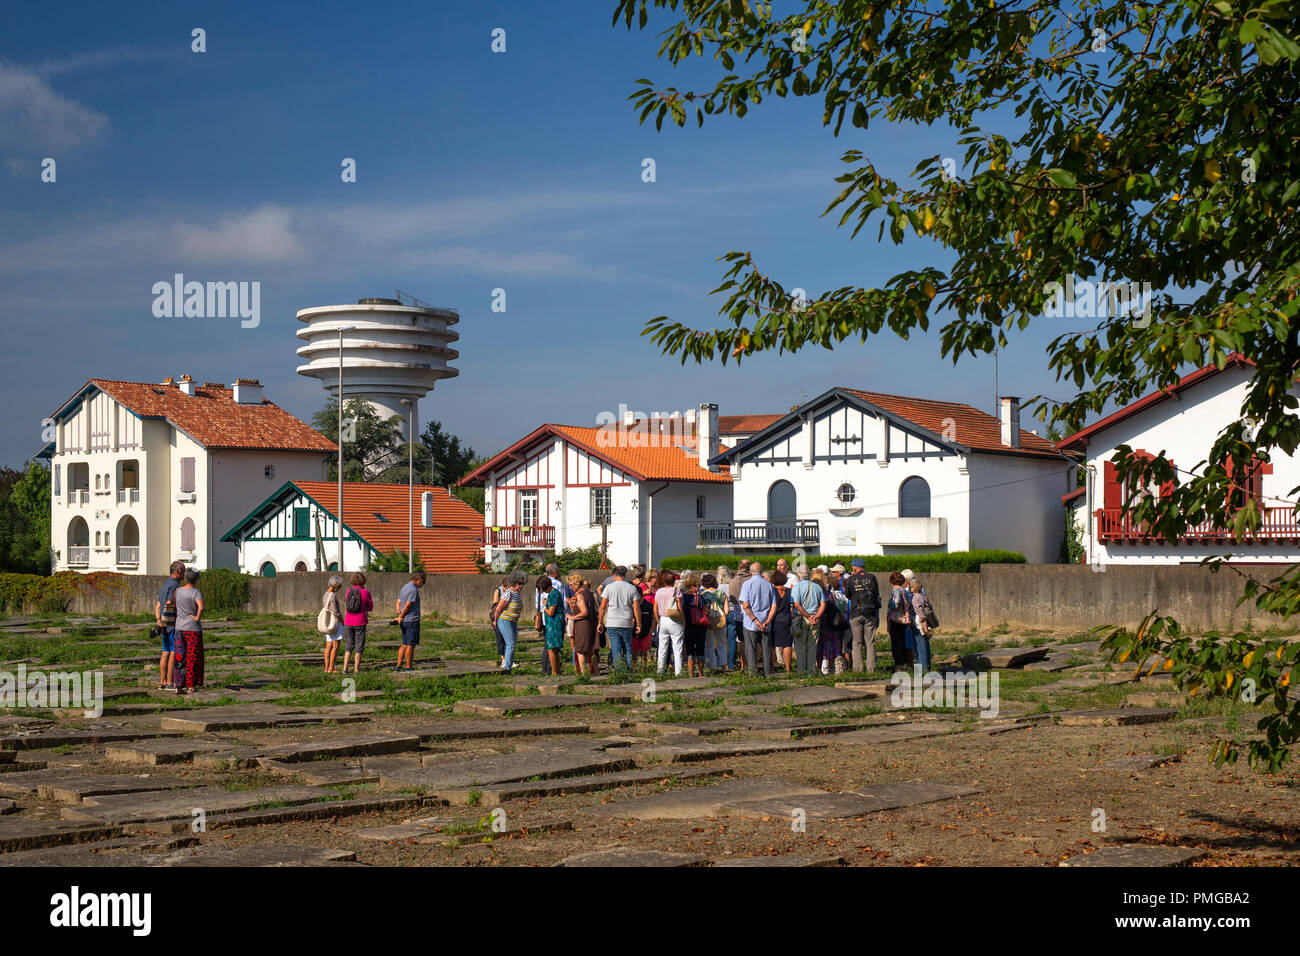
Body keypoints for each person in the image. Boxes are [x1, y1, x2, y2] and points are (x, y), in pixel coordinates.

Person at [598, 565, 641, 673]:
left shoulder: (609, 588)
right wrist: (639, 624)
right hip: (626, 622)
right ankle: (629, 671)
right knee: (627, 648)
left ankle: (619, 673)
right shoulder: (632, 588)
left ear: (614, 575)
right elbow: (636, 608)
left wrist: (600, 622)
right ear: (625, 575)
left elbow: (602, 607)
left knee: (616, 649)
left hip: (612, 622)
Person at [842, 558, 880, 673]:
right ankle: (871, 669)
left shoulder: (851, 579)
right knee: (870, 643)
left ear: (854, 568)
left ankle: (858, 669)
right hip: (870, 613)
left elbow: (848, 595)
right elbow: (876, 594)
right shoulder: (872, 578)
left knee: (857, 643)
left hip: (855, 613)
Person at [739, 561, 777, 676]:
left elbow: (745, 605)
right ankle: (768, 673)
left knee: (751, 650)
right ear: (762, 571)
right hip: (766, 622)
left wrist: (755, 620)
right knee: (766, 649)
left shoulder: (747, 585)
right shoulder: (769, 585)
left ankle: (752, 673)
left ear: (750, 572)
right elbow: (774, 606)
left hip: (751, 623)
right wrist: (767, 621)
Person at [173, 567, 205, 694]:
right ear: (196, 579)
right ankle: (191, 685)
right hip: (193, 629)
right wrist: (197, 617)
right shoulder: (196, 592)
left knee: (179, 656)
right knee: (192, 656)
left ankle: (179, 685)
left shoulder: (178, 590)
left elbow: (173, 603)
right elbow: (201, 607)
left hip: (179, 627)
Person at [154, 560, 184, 690]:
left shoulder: (164, 585)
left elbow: (158, 605)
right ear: (178, 572)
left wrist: (158, 620)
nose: (184, 574)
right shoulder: (175, 585)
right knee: (173, 652)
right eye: (183, 570)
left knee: (165, 652)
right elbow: (168, 602)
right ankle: (170, 682)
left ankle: (162, 681)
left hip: (163, 623)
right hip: (172, 622)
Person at [790, 565, 824, 675]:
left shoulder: (796, 587)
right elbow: (823, 604)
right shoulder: (817, 587)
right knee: (812, 647)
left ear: (798, 575)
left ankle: (801, 672)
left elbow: (797, 605)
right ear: (809, 575)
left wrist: (807, 615)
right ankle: (811, 672)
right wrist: (816, 616)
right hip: (815, 620)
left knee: (800, 647)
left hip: (801, 619)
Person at [491, 570, 525, 671]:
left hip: (513, 622)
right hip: (505, 620)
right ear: (514, 583)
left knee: (512, 643)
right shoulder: (508, 593)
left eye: (523, 584)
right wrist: (495, 620)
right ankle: (507, 667)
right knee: (510, 643)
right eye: (519, 583)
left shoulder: (517, 593)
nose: (521, 586)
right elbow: (498, 608)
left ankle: (508, 665)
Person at [653, 570, 685, 676]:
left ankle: (660, 671)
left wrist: (658, 621)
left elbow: (655, 608)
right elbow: (679, 607)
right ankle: (678, 672)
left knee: (662, 647)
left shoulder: (659, 591)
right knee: (677, 647)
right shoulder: (676, 591)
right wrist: (683, 620)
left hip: (663, 620)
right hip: (675, 619)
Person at [677, 572, 709, 677]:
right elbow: (706, 611)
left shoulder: (682, 597)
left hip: (687, 625)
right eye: (697, 585)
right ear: (691, 586)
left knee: (689, 651)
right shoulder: (699, 597)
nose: (699, 587)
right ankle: (700, 673)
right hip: (700, 626)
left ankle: (690, 674)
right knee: (700, 650)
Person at [341, 572, 373, 674]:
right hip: (360, 621)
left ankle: (345, 668)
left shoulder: (348, 591)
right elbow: (370, 607)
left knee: (349, 645)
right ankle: (356, 669)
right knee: (359, 646)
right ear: (363, 580)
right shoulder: (365, 592)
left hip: (348, 621)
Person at [393, 571, 425, 672]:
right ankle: (408, 666)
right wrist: (401, 616)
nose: (423, 584)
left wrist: (399, 614)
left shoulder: (405, 587)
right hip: (411, 620)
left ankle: (398, 665)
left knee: (404, 643)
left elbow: (398, 602)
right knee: (411, 645)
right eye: (423, 582)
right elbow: (408, 605)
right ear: (419, 579)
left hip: (404, 621)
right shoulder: (413, 590)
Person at [567, 573, 597, 675]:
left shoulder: (580, 595)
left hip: (582, 625)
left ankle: (583, 674)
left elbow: (584, 612)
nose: (570, 587)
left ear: (576, 585)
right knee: (590, 650)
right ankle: (595, 672)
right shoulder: (589, 593)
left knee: (580, 650)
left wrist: (572, 617)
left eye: (571, 585)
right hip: (591, 623)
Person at [538, 575, 566, 676]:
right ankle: (557, 671)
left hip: (554, 625)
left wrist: (545, 606)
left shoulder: (553, 594)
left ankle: (554, 672)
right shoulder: (553, 593)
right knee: (553, 649)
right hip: (553, 625)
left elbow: (551, 612)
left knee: (551, 649)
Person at [886, 571, 914, 669]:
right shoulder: (904, 591)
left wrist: (890, 608)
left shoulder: (896, 591)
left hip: (896, 619)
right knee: (902, 641)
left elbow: (896, 602)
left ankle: (899, 664)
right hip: (903, 619)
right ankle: (904, 662)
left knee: (896, 642)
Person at [701, 572, 729, 671]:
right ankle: (724, 666)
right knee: (722, 644)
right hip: (721, 621)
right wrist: (722, 616)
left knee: (709, 644)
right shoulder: (722, 593)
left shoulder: (703, 595)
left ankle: (712, 666)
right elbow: (727, 610)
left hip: (708, 622)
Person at [726, 559, 751, 671]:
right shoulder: (751, 580)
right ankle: (751, 663)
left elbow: (731, 597)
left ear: (739, 568)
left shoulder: (732, 581)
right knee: (753, 639)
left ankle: (742, 664)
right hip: (749, 610)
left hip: (737, 611)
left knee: (741, 640)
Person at [631, 564, 655, 668]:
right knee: (634, 652)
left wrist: (651, 630)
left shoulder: (649, 605)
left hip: (646, 631)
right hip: (634, 631)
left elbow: (653, 618)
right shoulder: (631, 605)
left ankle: (644, 669)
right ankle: (634, 668)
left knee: (645, 652)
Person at [770, 569, 794, 672]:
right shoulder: (789, 591)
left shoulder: (771, 591)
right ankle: (788, 668)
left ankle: (771, 667)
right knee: (787, 644)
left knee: (772, 645)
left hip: (774, 619)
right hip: (786, 619)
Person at [909, 578, 933, 672]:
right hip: (925, 623)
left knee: (920, 648)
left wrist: (924, 627)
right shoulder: (924, 596)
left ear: (914, 588)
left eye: (911, 586)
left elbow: (920, 614)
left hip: (919, 625)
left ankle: (922, 671)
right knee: (926, 646)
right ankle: (927, 668)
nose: (910, 588)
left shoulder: (915, 598)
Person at [321, 574, 344, 673]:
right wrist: (342, 621)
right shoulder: (333, 596)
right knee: (335, 646)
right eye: (340, 586)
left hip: (328, 622)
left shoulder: (325, 594)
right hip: (334, 622)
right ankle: (331, 667)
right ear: (336, 585)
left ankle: (326, 668)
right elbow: (335, 611)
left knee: (328, 646)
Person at [490, 577, 508, 668]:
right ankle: (503, 659)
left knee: (507, 639)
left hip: (507, 618)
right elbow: (495, 605)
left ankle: (507, 659)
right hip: (498, 617)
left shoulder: (510, 591)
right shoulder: (498, 591)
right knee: (500, 638)